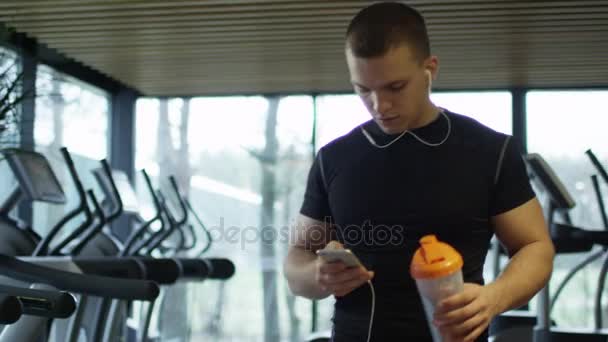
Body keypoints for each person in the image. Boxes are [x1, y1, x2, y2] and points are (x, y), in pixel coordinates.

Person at [283, 2, 555, 341]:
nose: (379, 106)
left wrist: (493, 298)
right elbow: (297, 262)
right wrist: (317, 276)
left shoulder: (490, 151)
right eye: (363, 89)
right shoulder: (334, 158)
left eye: (395, 87)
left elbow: (535, 246)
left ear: (430, 69)